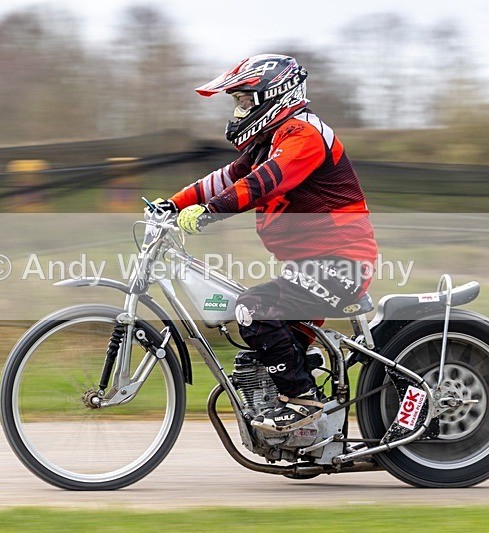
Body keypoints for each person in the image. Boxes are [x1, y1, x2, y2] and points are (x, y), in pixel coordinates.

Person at [153, 54, 378, 434]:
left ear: (273, 95)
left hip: (342, 261)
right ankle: (301, 428)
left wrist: (211, 211)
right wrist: (172, 205)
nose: (238, 112)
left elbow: (264, 182)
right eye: (237, 103)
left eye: (244, 101)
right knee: (261, 348)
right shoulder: (269, 141)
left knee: (253, 309)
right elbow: (224, 178)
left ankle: (303, 402)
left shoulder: (304, 134)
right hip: (311, 264)